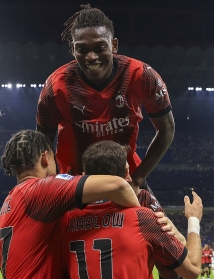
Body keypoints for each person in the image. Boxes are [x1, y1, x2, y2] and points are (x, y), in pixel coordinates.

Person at [36, 4, 175, 194]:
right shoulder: (55, 86)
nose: (91, 57)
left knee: (158, 223)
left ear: (114, 45)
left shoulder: (142, 76)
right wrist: (48, 184)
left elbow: (167, 128)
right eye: (82, 50)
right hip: (74, 182)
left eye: (100, 48)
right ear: (73, 49)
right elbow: (43, 145)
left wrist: (138, 178)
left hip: (126, 178)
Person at [0, 130, 140, 279]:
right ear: (45, 157)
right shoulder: (42, 189)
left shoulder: (10, 201)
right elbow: (118, 185)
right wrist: (139, 218)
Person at [65, 141, 200, 279]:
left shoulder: (65, 222)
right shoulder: (143, 218)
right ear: (127, 173)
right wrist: (193, 219)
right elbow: (193, 269)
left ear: (83, 176)